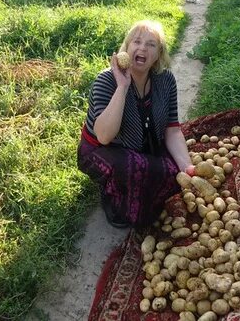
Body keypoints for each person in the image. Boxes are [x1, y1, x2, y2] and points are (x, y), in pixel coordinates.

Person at [77, 20, 195, 228]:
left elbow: (173, 130)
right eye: (137, 42)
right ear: (127, 47)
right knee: (138, 170)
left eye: (150, 44)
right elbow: (104, 136)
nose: (142, 48)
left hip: (142, 143)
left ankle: (137, 182)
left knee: (172, 172)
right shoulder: (106, 81)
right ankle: (110, 192)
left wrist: (186, 166)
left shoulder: (165, 80)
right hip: (102, 150)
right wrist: (122, 87)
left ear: (159, 54)